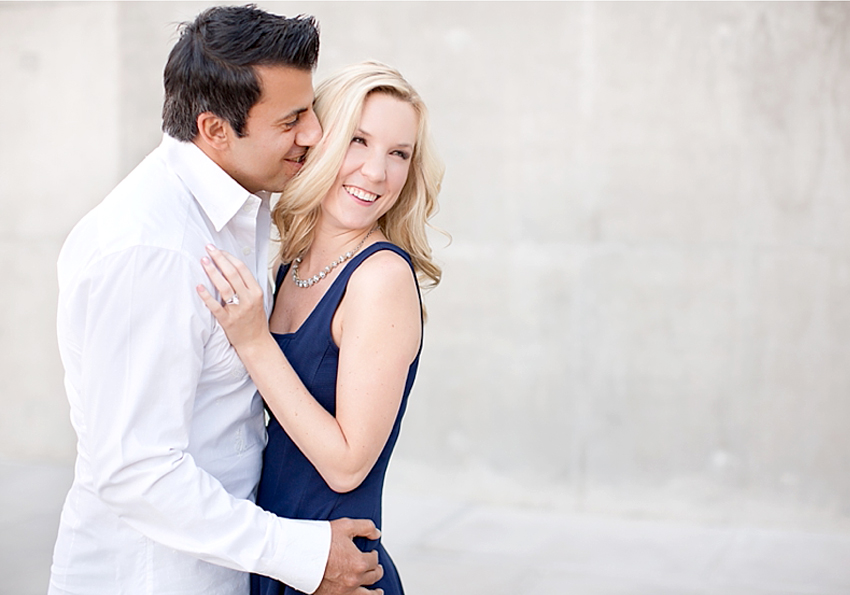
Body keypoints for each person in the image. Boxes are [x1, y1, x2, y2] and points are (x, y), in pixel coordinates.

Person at [50, 7, 383, 595]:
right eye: (291, 120)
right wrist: (300, 554)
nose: (314, 134)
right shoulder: (150, 251)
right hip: (154, 578)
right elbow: (138, 471)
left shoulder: (242, 207)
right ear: (215, 130)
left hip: (224, 567)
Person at [197, 61, 444, 595]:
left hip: (338, 573)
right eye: (358, 141)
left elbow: (348, 466)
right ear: (319, 141)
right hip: (282, 558)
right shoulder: (291, 267)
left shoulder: (380, 277)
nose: (376, 172)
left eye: (398, 154)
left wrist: (253, 341)